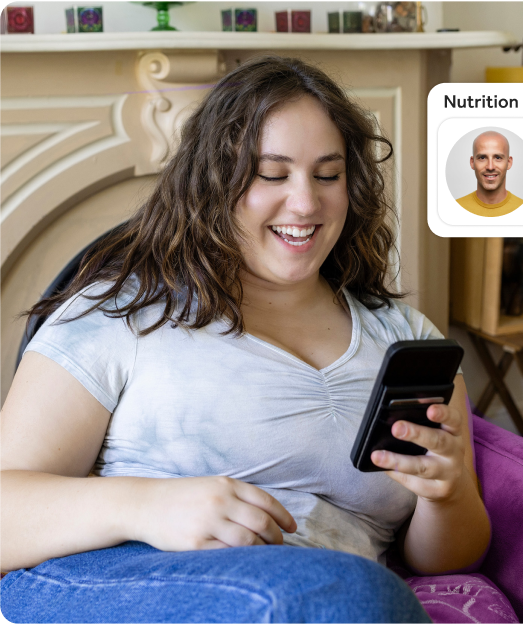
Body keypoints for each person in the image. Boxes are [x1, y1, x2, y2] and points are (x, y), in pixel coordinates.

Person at [0, 56, 490, 623]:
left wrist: (448, 495)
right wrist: (147, 505)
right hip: (134, 578)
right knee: (343, 595)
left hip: (340, 598)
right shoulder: (122, 313)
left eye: (328, 175)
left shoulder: (405, 338)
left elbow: (445, 561)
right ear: (213, 182)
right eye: (272, 174)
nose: (306, 203)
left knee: (349, 595)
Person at [457, 130, 523, 217]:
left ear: (509, 163)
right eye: (482, 158)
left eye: (497, 157)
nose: (490, 167)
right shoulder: (453, 209)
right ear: (472, 162)